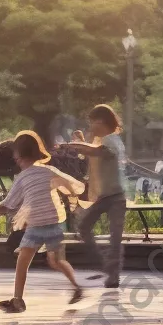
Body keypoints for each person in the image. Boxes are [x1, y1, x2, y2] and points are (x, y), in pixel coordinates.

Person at [0, 131, 84, 312]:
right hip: (54, 223)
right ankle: (77, 287)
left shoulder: (23, 177)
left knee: (23, 262)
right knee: (56, 261)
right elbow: (69, 184)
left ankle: (18, 300)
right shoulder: (48, 171)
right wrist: (75, 196)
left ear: (18, 155)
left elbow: (10, 202)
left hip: (36, 226)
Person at [62, 104, 128, 289]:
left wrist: (73, 145)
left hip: (116, 196)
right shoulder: (102, 140)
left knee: (115, 237)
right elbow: (91, 153)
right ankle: (105, 263)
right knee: (83, 226)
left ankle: (113, 275)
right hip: (104, 196)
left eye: (92, 122)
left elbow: (95, 152)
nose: (90, 126)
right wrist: (82, 142)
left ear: (100, 122)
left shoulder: (112, 140)